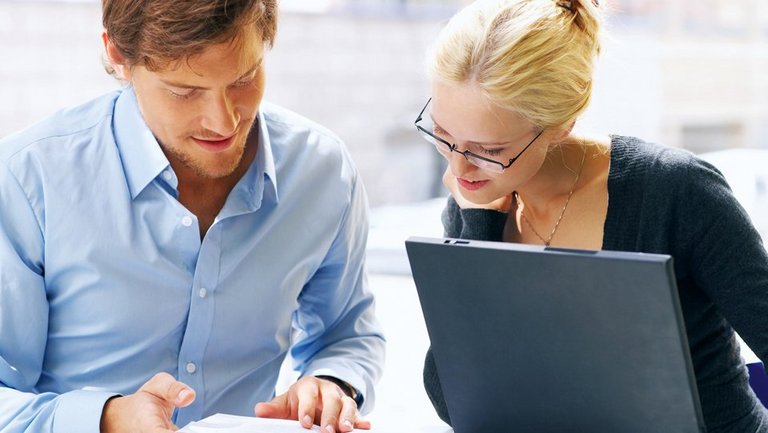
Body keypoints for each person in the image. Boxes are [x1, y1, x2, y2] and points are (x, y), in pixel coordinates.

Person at [0, 1, 385, 432]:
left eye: (244, 78)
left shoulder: (322, 172)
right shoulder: (27, 180)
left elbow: (347, 333)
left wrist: (331, 383)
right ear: (117, 56)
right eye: (184, 91)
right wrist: (105, 420)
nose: (223, 121)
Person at [416, 1, 768, 432]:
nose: (457, 168)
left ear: (561, 125)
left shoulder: (675, 191)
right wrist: (479, 234)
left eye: (489, 151)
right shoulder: (479, 199)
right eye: (442, 135)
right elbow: (456, 400)